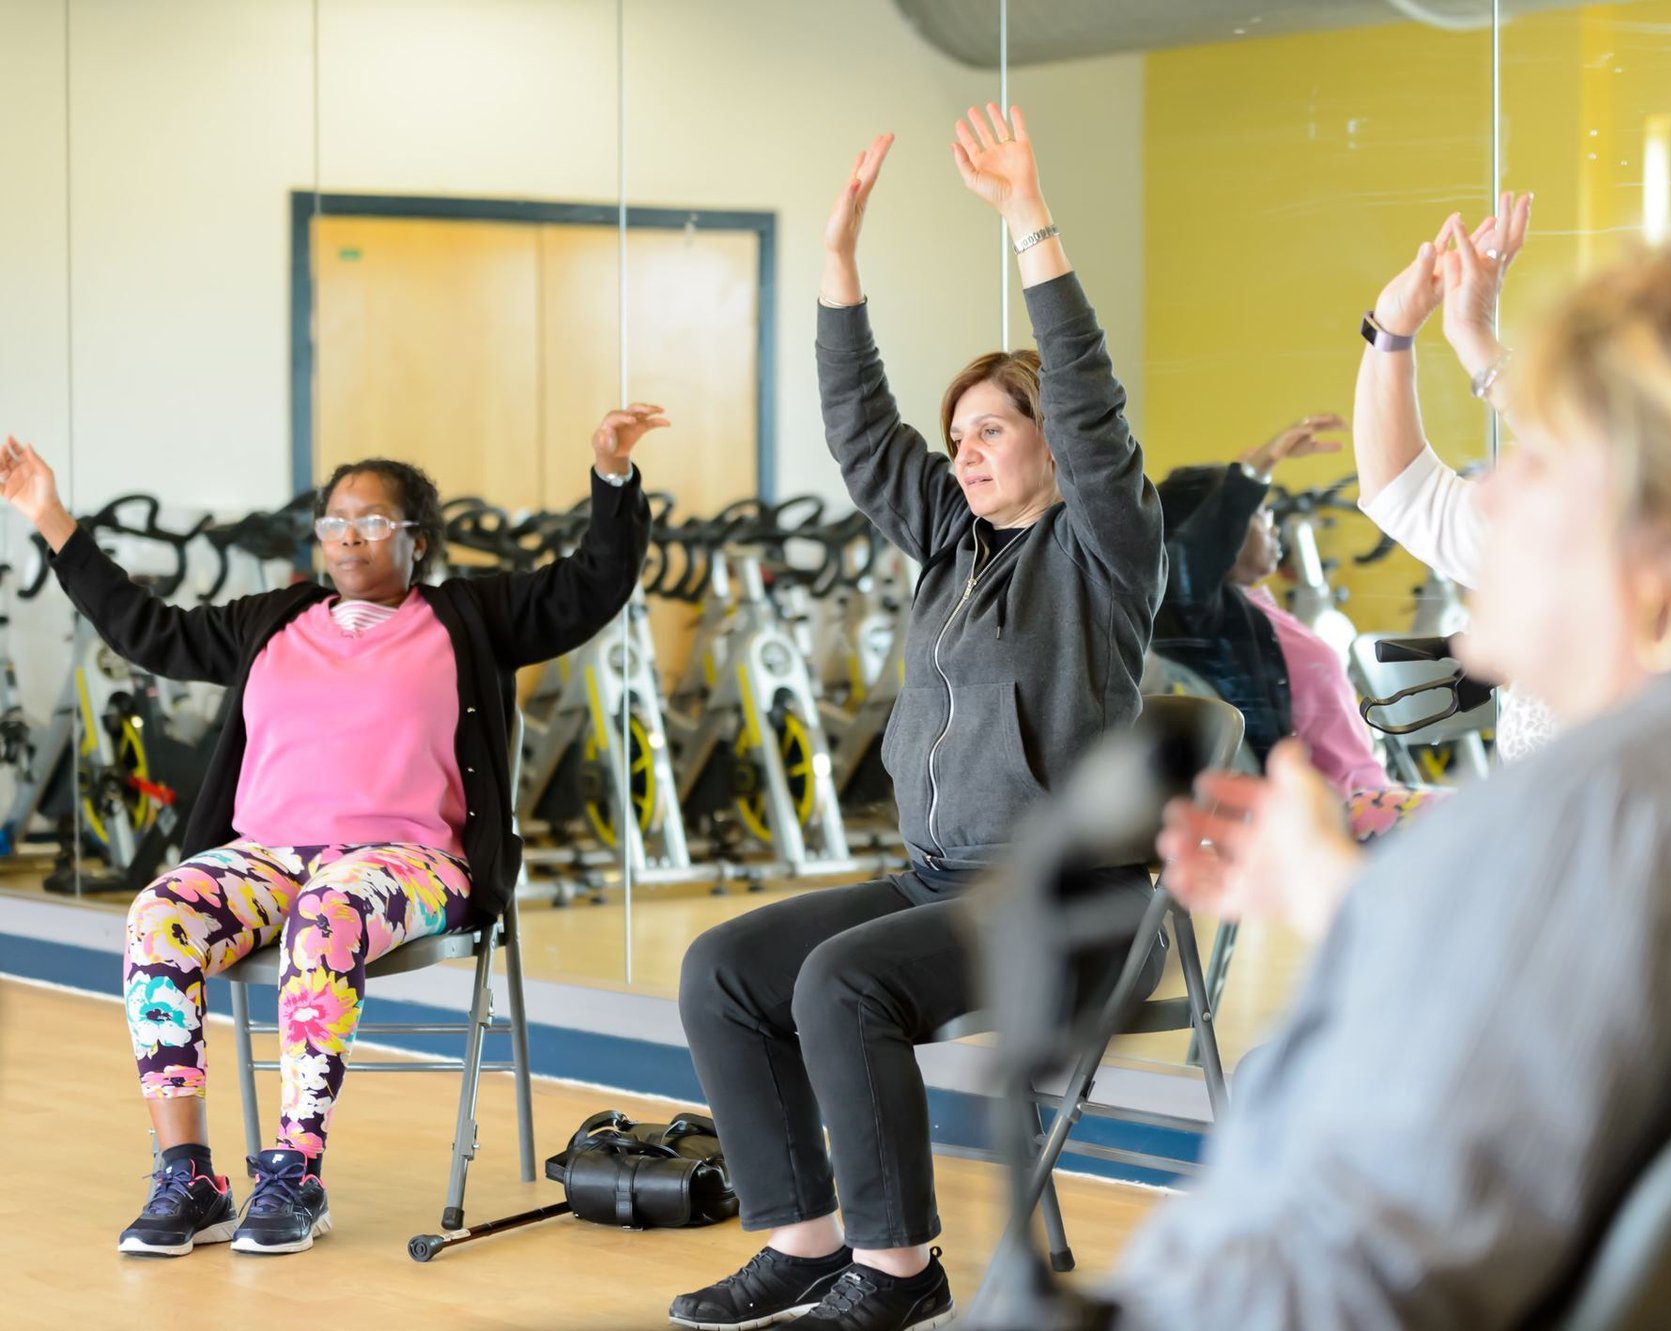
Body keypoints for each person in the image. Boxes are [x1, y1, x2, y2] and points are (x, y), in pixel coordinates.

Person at [1107, 218, 1671, 1329]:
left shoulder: (1587, 824)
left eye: (1533, 461)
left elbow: (1300, 1289)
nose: (1487, 499)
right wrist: (1345, 900)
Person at [671, 105, 1163, 1331]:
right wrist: (835, 269)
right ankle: (806, 1238)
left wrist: (1028, 225)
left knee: (840, 982)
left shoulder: (1103, 547)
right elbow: (857, 429)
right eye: (955, 438)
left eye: (989, 428)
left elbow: (1096, 410)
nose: (964, 452)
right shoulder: (946, 542)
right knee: (724, 967)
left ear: (1050, 440)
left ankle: (899, 1267)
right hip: (940, 878)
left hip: (1072, 894)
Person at [0, 408, 657, 1257]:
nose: (348, 537)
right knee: (158, 914)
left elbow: (592, 583)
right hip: (268, 855)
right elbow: (145, 627)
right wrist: (51, 517)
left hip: (407, 859)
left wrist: (611, 478)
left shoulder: (470, 615)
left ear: (418, 537)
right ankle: (188, 1171)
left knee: (328, 911)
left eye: (372, 520)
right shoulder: (275, 619)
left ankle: (295, 1171)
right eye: (335, 521)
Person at [1151, 423, 1439, 839]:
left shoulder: (1259, 610)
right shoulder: (1203, 621)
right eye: (1254, 511)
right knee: (1486, 821)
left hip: (1364, 795)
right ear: (1218, 533)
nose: (1269, 519)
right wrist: (1254, 471)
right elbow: (1186, 564)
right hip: (1326, 812)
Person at [1353, 193, 1564, 760]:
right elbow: (1405, 493)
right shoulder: (1556, 547)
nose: (1495, 488)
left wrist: (1475, 335)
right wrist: (1390, 332)